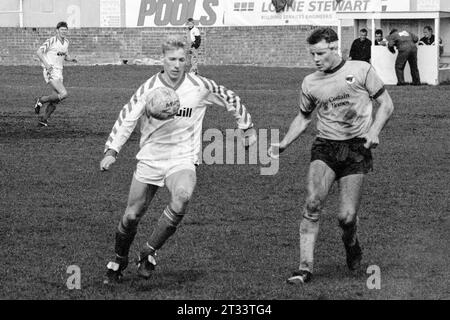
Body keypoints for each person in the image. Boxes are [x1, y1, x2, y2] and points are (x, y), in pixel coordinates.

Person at [101, 36, 257, 284]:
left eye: (181, 59)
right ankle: (119, 259)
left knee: (182, 196)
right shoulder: (149, 87)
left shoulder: (199, 85)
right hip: (151, 157)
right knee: (131, 216)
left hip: (184, 157)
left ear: (188, 60)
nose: (176, 64)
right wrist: (112, 151)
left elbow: (230, 98)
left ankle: (148, 251)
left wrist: (246, 128)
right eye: (171, 59)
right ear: (163, 59)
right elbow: (127, 117)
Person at [267, 27, 394, 284]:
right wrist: (284, 143)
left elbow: (387, 104)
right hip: (325, 147)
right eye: (312, 54)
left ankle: (352, 243)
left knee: (346, 218)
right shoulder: (310, 82)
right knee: (313, 203)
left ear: (335, 48)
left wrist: (374, 130)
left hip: (357, 149)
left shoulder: (361, 70)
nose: (316, 59)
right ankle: (304, 268)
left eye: (321, 53)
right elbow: (303, 118)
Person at [34, 21, 77, 127]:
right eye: (62, 30)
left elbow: (65, 56)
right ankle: (41, 100)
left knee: (55, 100)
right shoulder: (52, 40)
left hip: (59, 71)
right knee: (63, 94)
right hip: (51, 71)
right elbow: (39, 52)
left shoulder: (66, 42)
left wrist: (71, 59)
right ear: (57, 30)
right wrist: (47, 65)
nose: (63, 32)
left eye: (65, 30)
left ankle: (43, 120)